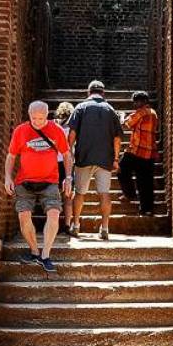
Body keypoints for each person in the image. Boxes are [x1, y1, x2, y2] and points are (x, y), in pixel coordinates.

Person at [4, 101, 72, 272]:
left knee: (54, 213)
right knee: (23, 216)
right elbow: (11, 156)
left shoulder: (56, 130)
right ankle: (34, 251)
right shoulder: (21, 131)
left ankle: (45, 255)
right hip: (24, 182)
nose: (37, 122)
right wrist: (7, 177)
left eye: (41, 119)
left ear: (47, 115)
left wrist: (69, 177)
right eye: (34, 118)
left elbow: (66, 154)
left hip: (49, 181)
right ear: (29, 115)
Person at [68, 80, 121, 240]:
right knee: (104, 193)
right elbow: (117, 138)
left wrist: (68, 152)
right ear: (103, 93)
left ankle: (76, 225)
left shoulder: (80, 108)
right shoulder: (110, 110)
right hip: (105, 159)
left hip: (84, 157)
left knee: (80, 193)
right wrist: (116, 158)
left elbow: (72, 133)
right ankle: (105, 228)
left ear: (88, 92)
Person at [118, 91, 159, 215]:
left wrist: (121, 115)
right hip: (149, 153)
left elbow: (126, 124)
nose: (135, 104)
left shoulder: (142, 112)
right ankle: (147, 210)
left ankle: (129, 194)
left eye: (137, 101)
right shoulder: (153, 113)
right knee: (145, 182)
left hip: (137, 151)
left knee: (121, 169)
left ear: (144, 102)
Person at [55, 101, 76, 235]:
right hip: (67, 162)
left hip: (53, 162)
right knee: (67, 196)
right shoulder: (73, 126)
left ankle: (54, 223)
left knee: (53, 195)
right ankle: (67, 224)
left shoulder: (53, 124)